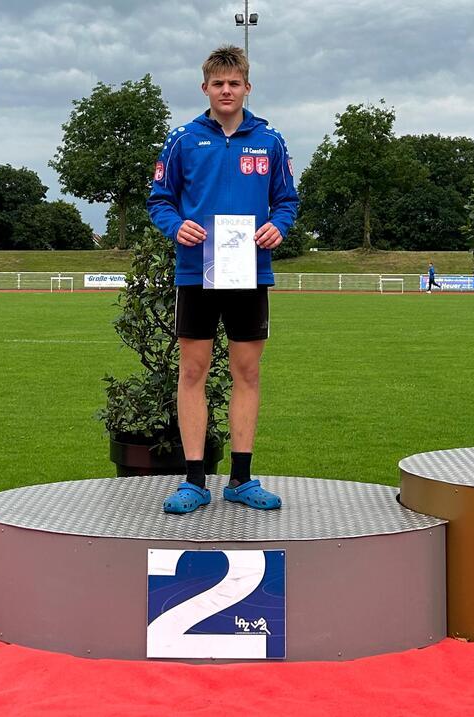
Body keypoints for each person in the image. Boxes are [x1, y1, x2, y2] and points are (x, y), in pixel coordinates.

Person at [147, 45, 299, 514]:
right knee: (192, 371)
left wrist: (279, 226)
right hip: (197, 271)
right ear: (205, 88)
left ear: (247, 87)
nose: (226, 90)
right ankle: (194, 481)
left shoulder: (270, 141)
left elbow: (287, 201)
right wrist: (177, 227)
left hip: (250, 271)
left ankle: (241, 479)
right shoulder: (182, 140)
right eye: (218, 83)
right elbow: (160, 199)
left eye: (234, 83)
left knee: (247, 372)